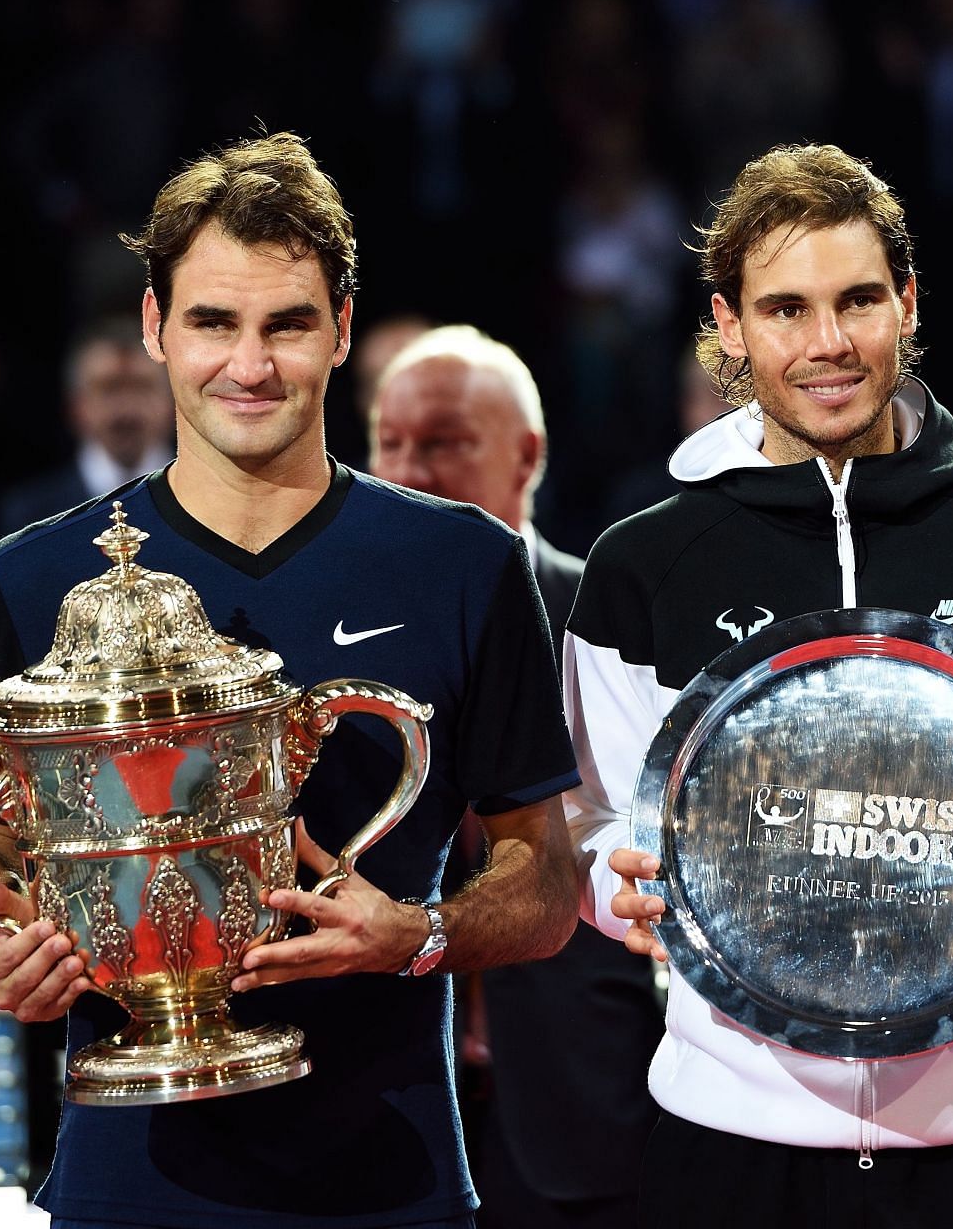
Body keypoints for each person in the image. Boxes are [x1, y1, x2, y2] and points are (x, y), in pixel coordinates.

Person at [0, 133, 579, 1229]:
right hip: (123, 1184)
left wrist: (419, 931)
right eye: (212, 323)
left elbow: (547, 876)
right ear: (154, 327)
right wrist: (0, 935)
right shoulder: (26, 581)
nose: (249, 364)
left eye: (286, 323)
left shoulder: (466, 564)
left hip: (394, 1187)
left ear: (340, 331)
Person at [562, 141, 953, 1227]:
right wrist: (601, 881)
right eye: (786, 308)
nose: (829, 342)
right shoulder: (639, 567)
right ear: (728, 324)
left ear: (907, 301)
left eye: (859, 299)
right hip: (730, 1148)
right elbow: (592, 814)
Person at [369, 325, 663, 1229]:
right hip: (386, 1106)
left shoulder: (612, 625)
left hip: (589, 1099)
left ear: (526, 456)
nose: (411, 472)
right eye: (391, 443)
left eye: (446, 442)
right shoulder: (334, 645)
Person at [0, 317, 175, 532]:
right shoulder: (31, 517)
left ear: (172, 401)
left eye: (141, 388)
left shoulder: (211, 501)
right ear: (76, 405)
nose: (127, 409)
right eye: (109, 389)